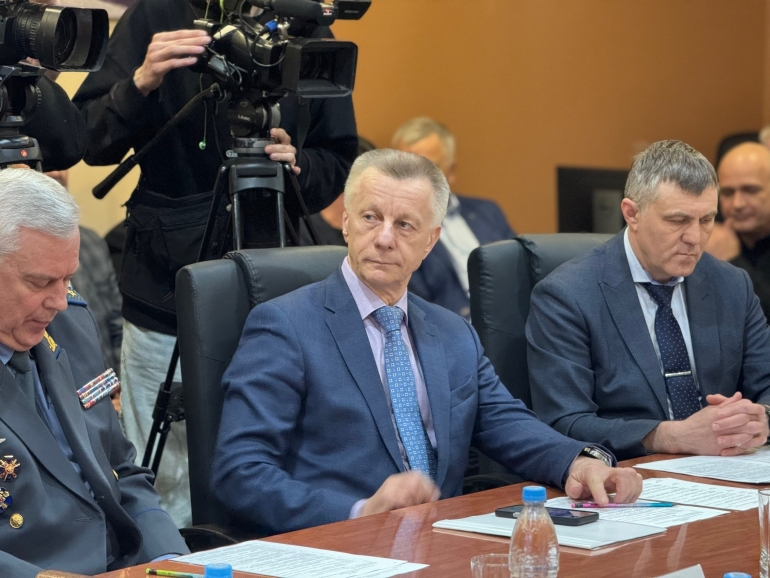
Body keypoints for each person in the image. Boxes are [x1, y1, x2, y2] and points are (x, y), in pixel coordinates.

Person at [211, 149, 642, 536]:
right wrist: (358, 512)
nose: (384, 238)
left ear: (430, 241)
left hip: (441, 542)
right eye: (370, 217)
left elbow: (505, 422)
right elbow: (240, 470)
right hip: (339, 546)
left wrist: (577, 462)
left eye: (404, 225)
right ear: (345, 223)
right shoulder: (285, 325)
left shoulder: (452, 331)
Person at [72, 0, 358, 526]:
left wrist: (298, 163)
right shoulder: (157, 15)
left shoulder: (303, 23)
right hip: (164, 294)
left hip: (274, 286)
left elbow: (337, 160)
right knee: (165, 481)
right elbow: (87, 139)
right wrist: (139, 83)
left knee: (275, 455)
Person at [527, 140, 770, 461]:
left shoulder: (732, 284)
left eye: (706, 220)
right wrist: (669, 436)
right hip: (631, 470)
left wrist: (762, 418)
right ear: (632, 213)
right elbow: (563, 421)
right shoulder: (567, 294)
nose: (695, 238)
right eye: (677, 221)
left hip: (727, 466)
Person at [0, 169, 187, 577]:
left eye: (67, 278)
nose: (59, 301)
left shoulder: (70, 323)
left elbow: (122, 469)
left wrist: (171, 560)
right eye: (40, 282)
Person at [392, 117, 515, 319]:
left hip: (510, 322)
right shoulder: (394, 230)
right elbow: (415, 306)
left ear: (451, 171)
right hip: (451, 328)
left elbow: (519, 272)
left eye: (429, 168)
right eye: (407, 168)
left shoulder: (488, 212)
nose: (416, 179)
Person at [705, 143, 770, 321]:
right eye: (728, 193)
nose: (737, 204)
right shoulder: (709, 234)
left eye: (750, 190)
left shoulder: (724, 250)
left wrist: (733, 262)